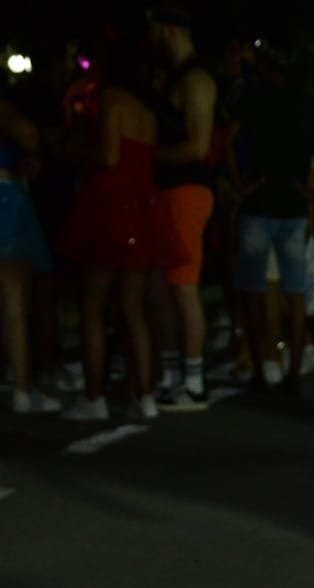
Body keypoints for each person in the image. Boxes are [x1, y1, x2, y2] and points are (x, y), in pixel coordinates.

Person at [61, 34, 183, 422]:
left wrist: (76, 149)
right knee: (134, 306)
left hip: (111, 203)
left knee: (93, 303)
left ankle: (94, 396)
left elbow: (110, 157)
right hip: (143, 206)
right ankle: (144, 394)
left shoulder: (113, 99)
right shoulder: (147, 111)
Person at [226, 38, 314, 394]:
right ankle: (293, 371)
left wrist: (240, 183)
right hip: (294, 207)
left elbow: (227, 142)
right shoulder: (307, 104)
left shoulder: (253, 99)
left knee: (253, 291)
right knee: (294, 293)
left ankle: (260, 366)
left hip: (259, 203)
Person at [150, 3, 217, 410]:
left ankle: (192, 381)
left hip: (186, 191)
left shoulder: (195, 79)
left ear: (168, 29)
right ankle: (174, 374)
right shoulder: (178, 76)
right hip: (170, 191)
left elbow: (197, 146)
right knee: (165, 288)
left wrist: (146, 156)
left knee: (183, 286)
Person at [0, 95, 60, 414]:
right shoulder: (10, 116)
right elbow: (30, 139)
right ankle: (22, 388)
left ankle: (19, 380)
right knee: (14, 301)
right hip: (7, 202)